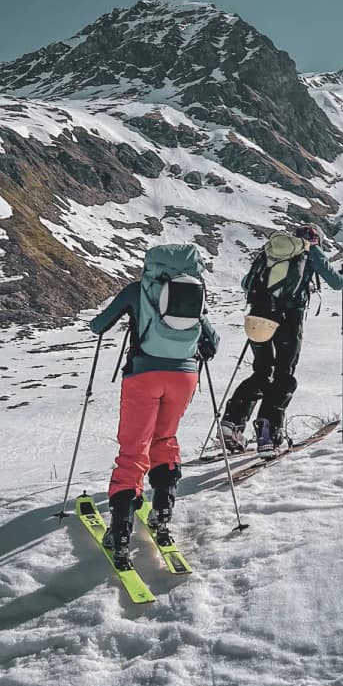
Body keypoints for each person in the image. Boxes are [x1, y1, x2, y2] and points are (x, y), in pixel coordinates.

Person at [88, 244, 219, 569]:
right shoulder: (195, 293)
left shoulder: (138, 289)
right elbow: (212, 342)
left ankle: (119, 537)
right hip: (184, 377)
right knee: (165, 440)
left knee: (133, 452)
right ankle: (162, 515)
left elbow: (98, 326)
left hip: (144, 376)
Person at [220, 224, 343, 455]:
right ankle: (267, 434)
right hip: (288, 319)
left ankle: (232, 422)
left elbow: (246, 283)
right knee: (283, 375)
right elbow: (337, 282)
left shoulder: (270, 250)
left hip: (257, 317)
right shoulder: (310, 251)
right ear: (315, 239)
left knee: (262, 372)